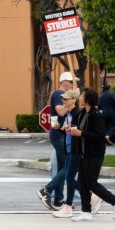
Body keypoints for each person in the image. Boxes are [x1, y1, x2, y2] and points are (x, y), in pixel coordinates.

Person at [69, 87, 115, 222]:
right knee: (82, 184)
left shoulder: (95, 115)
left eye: (82, 95)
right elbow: (79, 128)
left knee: (91, 183)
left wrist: (82, 133)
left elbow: (100, 136)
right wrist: (70, 129)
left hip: (95, 154)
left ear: (87, 100)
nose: (79, 97)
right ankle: (86, 212)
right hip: (84, 153)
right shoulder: (83, 113)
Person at [51, 88, 100, 219]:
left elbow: (79, 132)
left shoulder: (77, 113)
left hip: (75, 150)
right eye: (63, 99)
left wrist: (71, 130)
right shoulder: (70, 114)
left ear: (73, 100)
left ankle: (68, 206)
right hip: (69, 149)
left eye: (66, 99)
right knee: (70, 177)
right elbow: (71, 132)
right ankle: (92, 197)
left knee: (69, 177)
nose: (63, 101)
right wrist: (62, 129)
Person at [37, 71, 75, 210]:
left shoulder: (60, 96)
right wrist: (72, 102)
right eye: (70, 82)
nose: (72, 85)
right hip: (58, 136)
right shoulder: (58, 94)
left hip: (60, 134)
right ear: (64, 81)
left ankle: (58, 199)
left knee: (61, 167)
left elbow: (55, 118)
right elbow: (60, 111)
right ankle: (46, 190)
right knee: (68, 166)